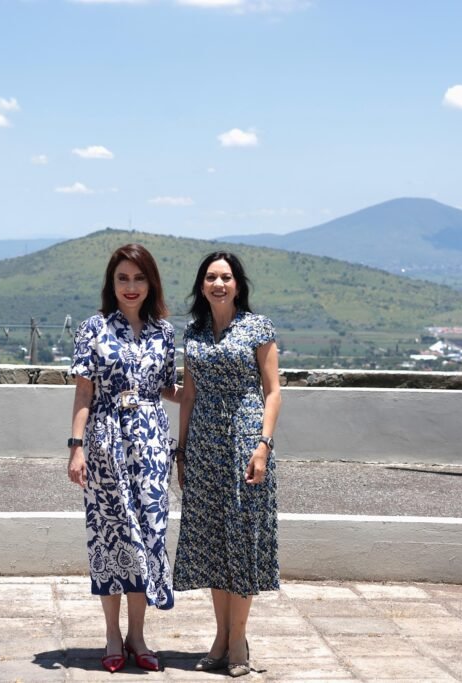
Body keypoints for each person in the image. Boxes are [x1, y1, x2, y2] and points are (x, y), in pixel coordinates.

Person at [67, 243, 180, 673]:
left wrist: (204, 392)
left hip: (150, 443)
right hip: (105, 441)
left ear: (151, 283)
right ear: (111, 283)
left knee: (149, 533)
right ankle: (113, 635)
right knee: (110, 535)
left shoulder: (164, 332)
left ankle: (138, 635)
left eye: (138, 278)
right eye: (123, 278)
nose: (131, 287)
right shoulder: (93, 328)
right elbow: (84, 393)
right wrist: (76, 447)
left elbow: (168, 388)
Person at [173, 251, 282, 678]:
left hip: (246, 441)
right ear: (201, 286)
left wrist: (263, 446)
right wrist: (181, 452)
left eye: (226, 277)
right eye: (211, 277)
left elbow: (273, 391)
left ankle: (238, 638)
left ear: (238, 285)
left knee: (241, 539)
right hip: (203, 444)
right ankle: (220, 638)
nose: (218, 284)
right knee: (213, 542)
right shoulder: (194, 332)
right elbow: (188, 395)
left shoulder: (258, 327)